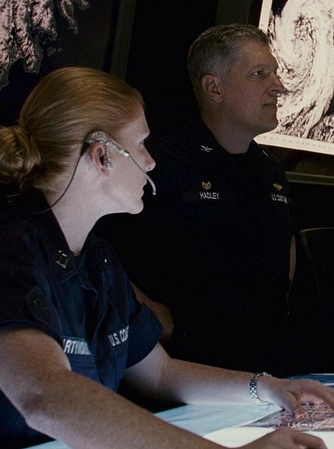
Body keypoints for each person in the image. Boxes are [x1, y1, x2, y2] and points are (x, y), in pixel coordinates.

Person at [0, 66, 334, 449]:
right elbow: (46, 397)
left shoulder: (98, 259)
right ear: (102, 155)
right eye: (140, 144)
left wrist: (271, 388)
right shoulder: (1, 251)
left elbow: (161, 374)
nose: (150, 161)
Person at [95, 23, 298, 374]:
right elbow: (92, 249)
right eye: (259, 74)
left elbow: (285, 255)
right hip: (181, 370)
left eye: (275, 72)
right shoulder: (159, 164)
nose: (278, 86)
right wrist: (145, 314)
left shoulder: (272, 171)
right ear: (214, 88)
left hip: (268, 367)